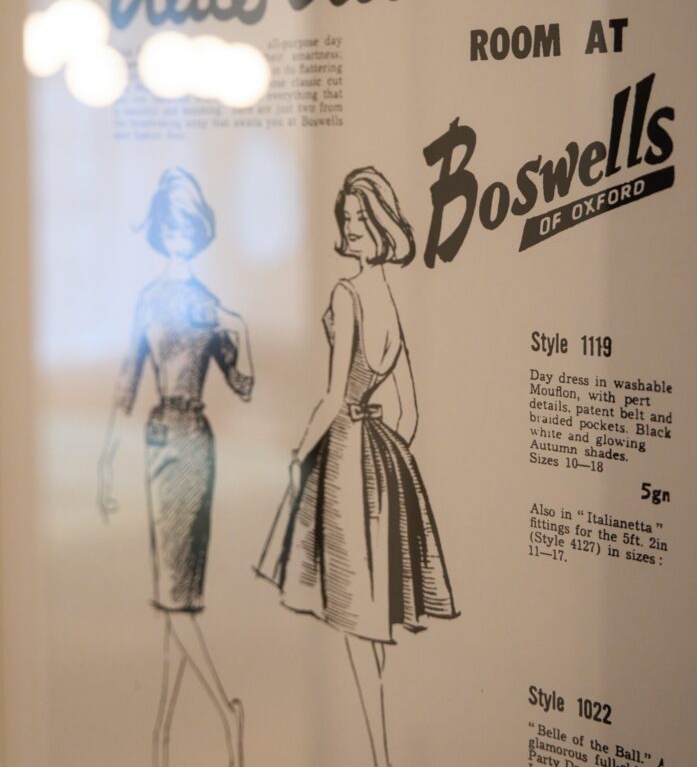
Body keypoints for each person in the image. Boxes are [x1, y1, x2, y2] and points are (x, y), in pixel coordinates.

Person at [257, 166, 457, 767]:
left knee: (353, 614)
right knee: (371, 616)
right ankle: (379, 747)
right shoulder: (392, 299)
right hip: (383, 456)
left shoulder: (348, 294)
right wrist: (387, 457)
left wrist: (300, 454)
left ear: (380, 225)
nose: (350, 230)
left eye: (360, 220)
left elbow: (330, 396)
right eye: (346, 220)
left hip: (345, 452)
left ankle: (378, 753)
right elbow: (411, 413)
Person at [97, 167, 253, 767]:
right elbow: (125, 384)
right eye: (170, 225)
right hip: (157, 437)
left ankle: (224, 711)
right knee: (172, 594)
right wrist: (106, 460)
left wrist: (240, 333)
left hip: (193, 440)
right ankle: (162, 737)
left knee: (176, 595)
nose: (178, 235)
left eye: (187, 225)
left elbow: (242, 385)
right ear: (160, 230)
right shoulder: (149, 300)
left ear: (199, 230)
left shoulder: (211, 306)